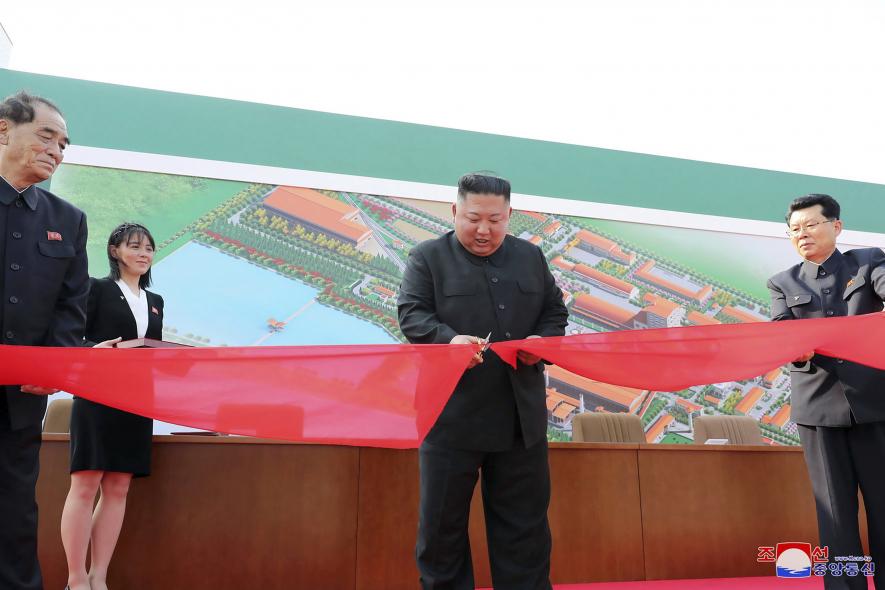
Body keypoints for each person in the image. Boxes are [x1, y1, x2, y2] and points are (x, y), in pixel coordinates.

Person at [398, 172, 568, 590]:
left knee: (525, 533)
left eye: (496, 219)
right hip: (451, 418)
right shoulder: (427, 257)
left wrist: (540, 343)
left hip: (519, 421)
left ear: (509, 215)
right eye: (474, 218)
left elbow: (554, 313)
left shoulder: (530, 258)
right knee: (442, 532)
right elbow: (412, 315)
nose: (484, 230)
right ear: (455, 211)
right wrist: (449, 340)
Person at [767, 194, 885, 590]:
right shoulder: (782, 283)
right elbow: (782, 333)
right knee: (835, 515)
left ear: (836, 226)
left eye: (811, 225)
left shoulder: (868, 262)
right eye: (794, 230)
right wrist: (792, 347)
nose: (802, 234)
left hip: (875, 405)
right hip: (817, 412)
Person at [0, 90, 89, 590]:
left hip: (20, 402)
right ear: (3, 129)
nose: (56, 149)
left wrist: (54, 366)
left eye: (64, 144)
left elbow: (69, 308)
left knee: (15, 514)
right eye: (47, 135)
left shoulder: (66, 221)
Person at [60, 222, 164, 590]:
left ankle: (98, 576)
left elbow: (153, 348)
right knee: (86, 483)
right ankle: (75, 578)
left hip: (137, 399)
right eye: (135, 246)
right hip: (98, 395)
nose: (143, 253)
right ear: (115, 251)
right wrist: (94, 351)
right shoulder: (96, 289)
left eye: (149, 248)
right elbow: (73, 335)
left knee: (119, 486)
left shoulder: (155, 301)